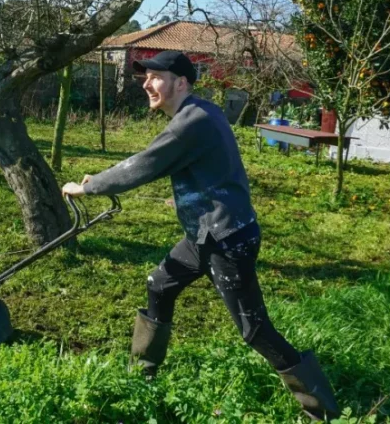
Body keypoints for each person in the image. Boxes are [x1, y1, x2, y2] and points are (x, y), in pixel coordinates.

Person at [61, 51, 339, 421]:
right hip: (204, 235)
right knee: (159, 285)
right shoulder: (203, 112)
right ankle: (142, 373)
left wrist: (91, 187)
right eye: (145, 77)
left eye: (156, 77)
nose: (146, 83)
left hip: (226, 239)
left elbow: (146, 164)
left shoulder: (191, 123)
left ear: (181, 82)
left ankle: (323, 409)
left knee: (254, 329)